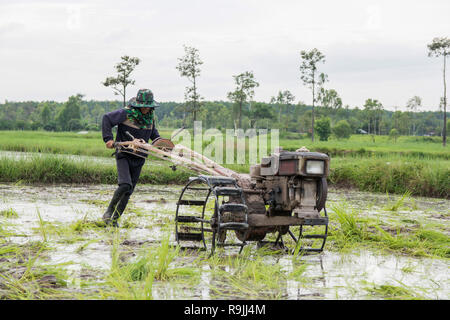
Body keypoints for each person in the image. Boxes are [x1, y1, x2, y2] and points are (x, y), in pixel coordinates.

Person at [101, 89, 160, 227]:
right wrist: (108, 139)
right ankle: (108, 212)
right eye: (144, 105)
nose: (146, 108)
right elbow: (107, 118)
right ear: (138, 104)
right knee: (125, 185)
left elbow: (155, 135)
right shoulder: (126, 113)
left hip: (139, 157)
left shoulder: (150, 118)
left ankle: (114, 219)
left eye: (148, 106)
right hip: (124, 154)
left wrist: (162, 144)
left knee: (129, 191)